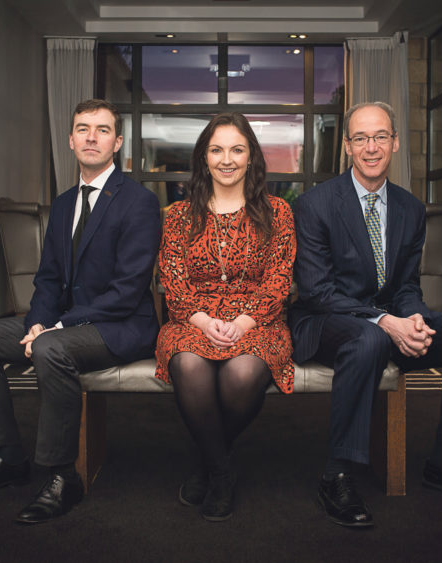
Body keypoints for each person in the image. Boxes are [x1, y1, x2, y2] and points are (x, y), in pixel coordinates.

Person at [289, 102, 442, 528]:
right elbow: (317, 290)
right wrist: (384, 322)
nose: (371, 147)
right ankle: (337, 474)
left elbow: (407, 285)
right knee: (369, 338)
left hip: (388, 321)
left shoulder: (410, 208)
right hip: (324, 322)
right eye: (360, 138)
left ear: (394, 142)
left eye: (380, 137)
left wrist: (414, 320)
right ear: (348, 148)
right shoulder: (316, 205)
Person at [0, 99, 161, 525]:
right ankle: (8, 458)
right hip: (62, 323)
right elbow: (46, 279)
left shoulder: (138, 202)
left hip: (120, 327)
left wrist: (55, 329)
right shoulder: (62, 204)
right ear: (70, 140)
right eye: (83, 128)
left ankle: (63, 476)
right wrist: (38, 322)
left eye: (102, 130)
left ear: (117, 142)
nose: (91, 137)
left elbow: (127, 290)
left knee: (50, 350)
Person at [155, 112, 296, 522]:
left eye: (237, 149)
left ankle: (206, 463)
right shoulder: (179, 215)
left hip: (259, 322)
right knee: (189, 362)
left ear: (251, 156)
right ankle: (223, 471)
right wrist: (202, 321)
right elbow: (174, 281)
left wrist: (244, 322)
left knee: (241, 373)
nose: (227, 159)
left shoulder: (278, 212)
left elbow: (279, 280)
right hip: (192, 319)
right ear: (204, 158)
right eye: (217, 150)